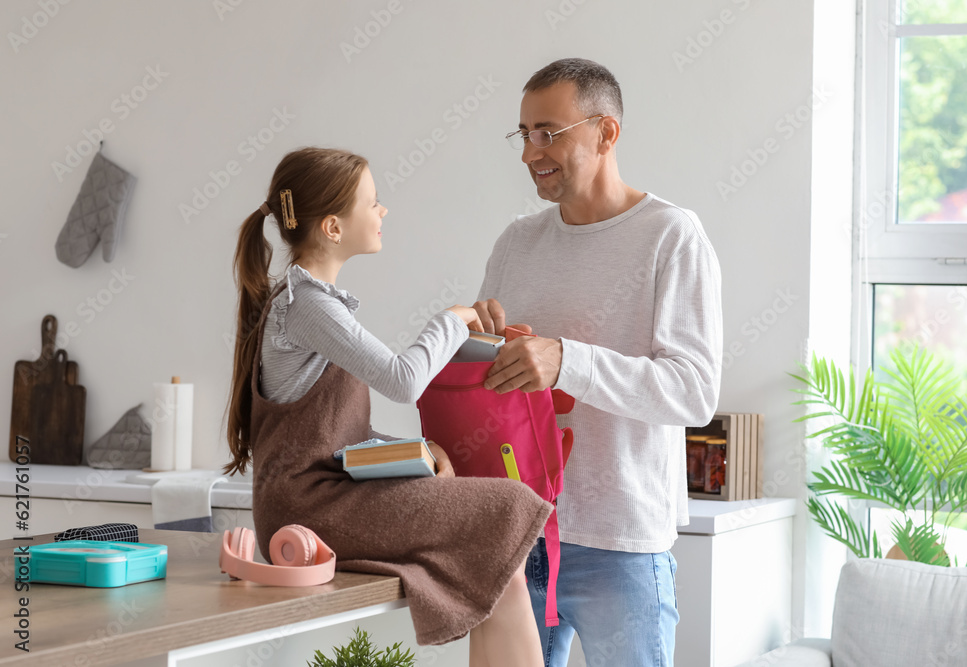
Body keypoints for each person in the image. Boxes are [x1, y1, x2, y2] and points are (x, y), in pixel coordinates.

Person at [225, 146, 552, 666]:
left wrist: (417, 449)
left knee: (502, 568)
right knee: (506, 504)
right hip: (306, 507)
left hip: (318, 496)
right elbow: (404, 381)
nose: (383, 212)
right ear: (333, 227)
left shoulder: (306, 300)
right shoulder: (308, 304)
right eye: (373, 203)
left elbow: (333, 434)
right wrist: (451, 319)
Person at [473, 58, 724, 667]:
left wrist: (566, 360)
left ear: (606, 133)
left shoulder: (671, 235)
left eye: (549, 132)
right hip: (518, 534)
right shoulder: (516, 243)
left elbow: (694, 392)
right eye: (524, 132)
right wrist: (484, 350)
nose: (531, 150)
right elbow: (499, 389)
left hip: (622, 542)